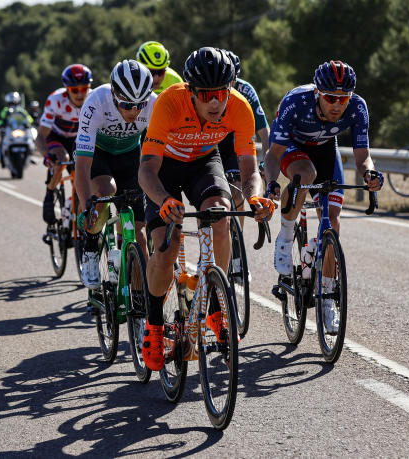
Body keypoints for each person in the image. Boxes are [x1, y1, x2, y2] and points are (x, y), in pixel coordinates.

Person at [138, 47, 275, 371]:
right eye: (206, 95)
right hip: (164, 168)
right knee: (167, 248)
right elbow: (146, 171)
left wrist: (255, 197)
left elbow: (250, 170)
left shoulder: (240, 109)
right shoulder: (169, 103)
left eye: (221, 93)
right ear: (191, 92)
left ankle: (216, 301)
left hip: (203, 162)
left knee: (222, 216)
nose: (215, 102)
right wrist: (164, 201)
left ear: (230, 89)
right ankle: (155, 325)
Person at [263, 60, 383, 333]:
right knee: (305, 174)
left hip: (326, 148)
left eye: (343, 99)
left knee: (332, 220)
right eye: (330, 98)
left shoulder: (358, 107)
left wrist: (371, 175)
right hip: (290, 146)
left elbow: (363, 157)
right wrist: (271, 183)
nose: (337, 105)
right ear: (318, 92)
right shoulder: (296, 101)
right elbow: (273, 154)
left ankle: (328, 299)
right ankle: (285, 236)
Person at [75, 59, 156, 288]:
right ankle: (91, 247)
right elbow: (82, 165)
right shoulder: (96, 102)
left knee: (139, 236)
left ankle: (144, 307)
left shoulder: (154, 105)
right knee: (104, 191)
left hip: (130, 156)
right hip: (98, 155)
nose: (134, 110)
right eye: (127, 103)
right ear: (113, 94)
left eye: (140, 104)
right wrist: (86, 206)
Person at [219, 50, 270, 227]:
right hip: (213, 143)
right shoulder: (210, 89)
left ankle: (236, 236)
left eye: (233, 78)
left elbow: (264, 131)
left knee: (238, 191)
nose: (229, 83)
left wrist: (266, 161)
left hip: (236, 142)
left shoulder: (245, 90)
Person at [38, 64, 92, 225]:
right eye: (75, 90)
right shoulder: (55, 100)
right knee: (62, 159)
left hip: (78, 139)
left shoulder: (94, 99)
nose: (80, 94)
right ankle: (49, 195)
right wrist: (47, 156)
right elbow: (41, 135)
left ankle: (75, 205)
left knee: (83, 175)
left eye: (84, 88)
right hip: (56, 137)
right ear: (67, 89)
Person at [0, 92, 33, 168]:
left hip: (20, 130)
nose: (12, 105)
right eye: (11, 103)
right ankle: (2, 159)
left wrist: (28, 123)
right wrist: (1, 124)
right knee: (1, 142)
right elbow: (0, 120)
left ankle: (30, 156)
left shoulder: (21, 111)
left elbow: (29, 119)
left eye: (14, 103)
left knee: (31, 140)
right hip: (9, 131)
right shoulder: (5, 111)